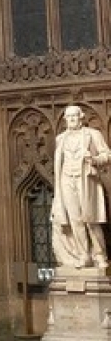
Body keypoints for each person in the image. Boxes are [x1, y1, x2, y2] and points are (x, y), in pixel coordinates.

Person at [51, 105, 111, 268]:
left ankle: (99, 255)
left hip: (86, 180)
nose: (71, 119)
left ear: (81, 117)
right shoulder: (60, 139)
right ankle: (83, 254)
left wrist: (94, 159)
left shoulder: (93, 134)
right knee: (74, 219)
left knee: (90, 218)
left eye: (74, 116)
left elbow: (107, 154)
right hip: (66, 180)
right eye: (68, 117)